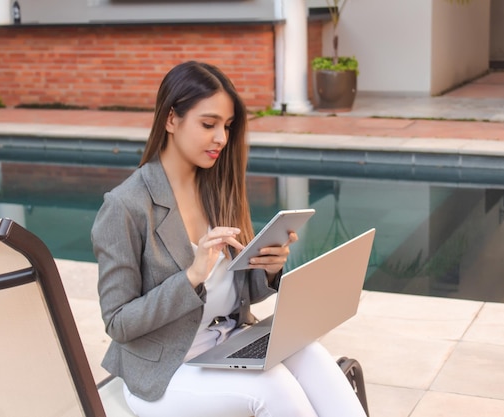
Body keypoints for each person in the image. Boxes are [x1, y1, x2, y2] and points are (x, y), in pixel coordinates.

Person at [91, 61, 367, 417]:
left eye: (227, 126)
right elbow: (118, 322)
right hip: (166, 370)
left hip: (228, 347)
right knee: (273, 386)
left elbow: (238, 296)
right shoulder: (125, 206)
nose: (221, 138)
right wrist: (192, 276)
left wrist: (267, 269)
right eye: (208, 124)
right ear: (171, 119)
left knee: (309, 352)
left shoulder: (219, 189)